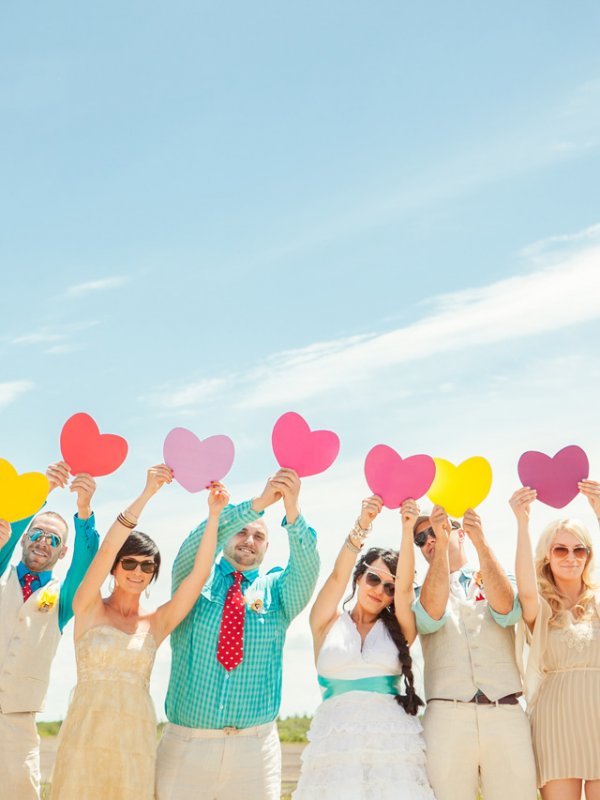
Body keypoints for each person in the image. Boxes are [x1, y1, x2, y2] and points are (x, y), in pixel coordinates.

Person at [49, 464, 229, 800]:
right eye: (129, 562)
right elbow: (104, 550)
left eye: (148, 566)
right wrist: (147, 493)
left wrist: (214, 514)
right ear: (115, 567)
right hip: (85, 735)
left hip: (135, 741)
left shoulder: (157, 621)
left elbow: (200, 574)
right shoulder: (88, 607)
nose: (138, 571)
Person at [156, 467, 320, 800]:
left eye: (259, 536)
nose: (249, 540)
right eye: (242, 532)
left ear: (267, 545)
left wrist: (292, 509)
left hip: (255, 751)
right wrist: (257, 505)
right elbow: (199, 543)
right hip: (187, 744)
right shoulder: (194, 580)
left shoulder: (277, 590)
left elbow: (307, 566)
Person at [293, 495, 435, 800]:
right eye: (373, 578)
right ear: (359, 578)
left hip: (391, 744)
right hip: (335, 743)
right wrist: (363, 525)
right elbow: (335, 577)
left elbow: (407, 588)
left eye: (389, 587)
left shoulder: (400, 629)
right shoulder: (326, 622)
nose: (379, 590)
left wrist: (406, 527)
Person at [412, 504, 537, 800]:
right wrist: (442, 548)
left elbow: (507, 612)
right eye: (421, 539)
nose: (429, 540)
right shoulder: (417, 593)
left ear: (462, 532)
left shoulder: (499, 573)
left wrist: (482, 542)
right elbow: (429, 620)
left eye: (436, 531)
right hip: (446, 714)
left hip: (504, 710)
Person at [0, 460, 98, 800]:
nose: (43, 542)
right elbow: (8, 532)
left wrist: (83, 511)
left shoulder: (63, 599)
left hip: (18, 724)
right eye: (38, 534)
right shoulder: (0, 572)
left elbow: (86, 567)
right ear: (25, 537)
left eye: (53, 539)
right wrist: (42, 492)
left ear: (63, 550)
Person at [512, 478, 600, 800]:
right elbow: (523, 589)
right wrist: (523, 523)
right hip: (555, 721)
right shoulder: (542, 605)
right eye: (560, 549)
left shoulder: (598, 601)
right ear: (547, 555)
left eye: (580, 549)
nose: (571, 557)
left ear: (588, 556)